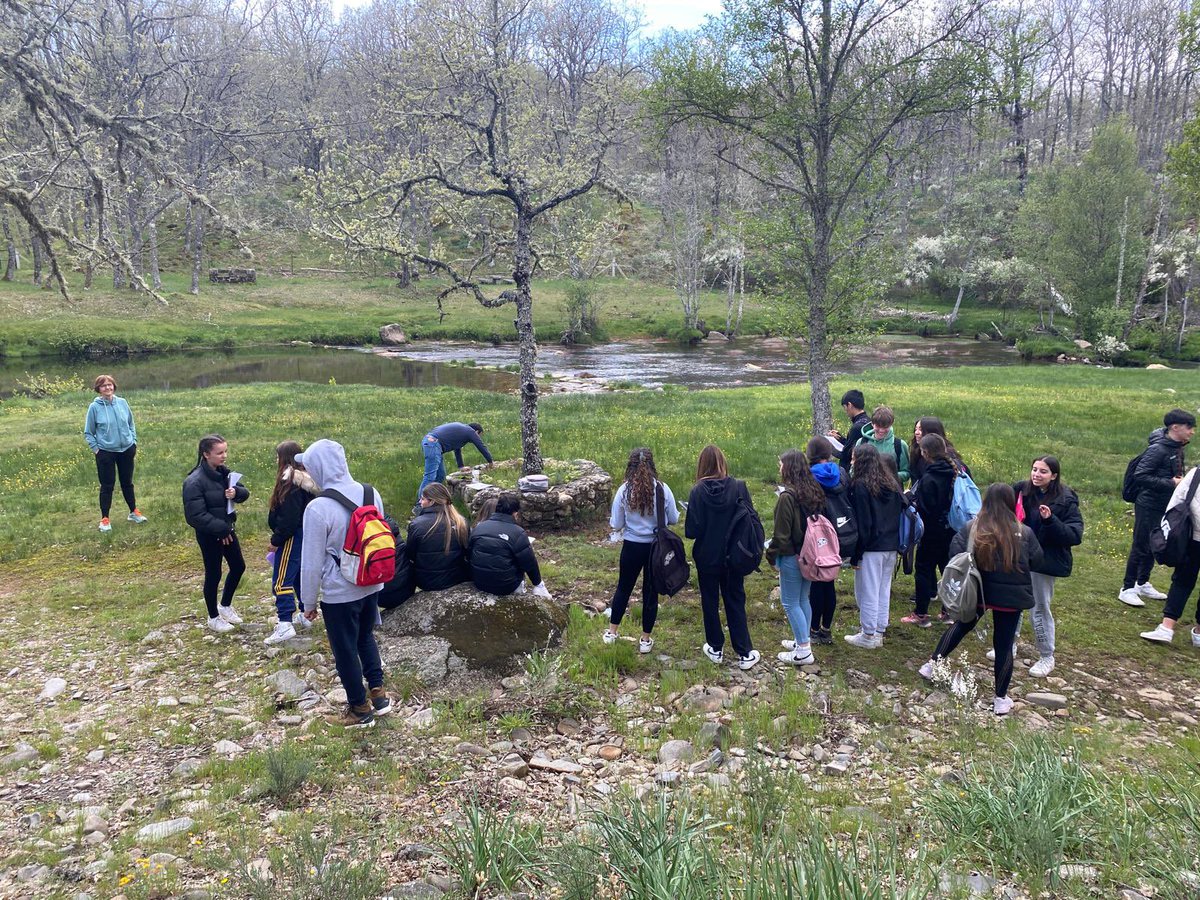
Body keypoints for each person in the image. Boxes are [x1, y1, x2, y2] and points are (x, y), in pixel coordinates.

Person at [918, 484, 1044, 716]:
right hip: (1012, 598)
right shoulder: (1024, 532)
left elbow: (955, 553)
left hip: (977, 592)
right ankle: (1000, 699)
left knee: (960, 626)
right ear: (1010, 502)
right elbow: (1037, 560)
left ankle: (932, 665)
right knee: (1004, 646)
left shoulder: (973, 528)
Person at [295, 439, 392, 728]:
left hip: (340, 592)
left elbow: (311, 562)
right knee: (365, 637)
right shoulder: (370, 492)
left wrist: (308, 603)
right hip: (372, 581)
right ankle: (379, 694)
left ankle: (359, 709)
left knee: (345, 649)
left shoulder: (317, 508)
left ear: (318, 468)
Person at [685, 444, 761, 670]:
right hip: (734, 554)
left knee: (709, 600)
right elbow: (751, 519)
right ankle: (744, 651)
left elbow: (691, 530)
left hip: (707, 555)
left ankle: (715, 647)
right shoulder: (739, 487)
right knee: (735, 599)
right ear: (722, 463)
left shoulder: (697, 492)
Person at [1008, 456, 1083, 676]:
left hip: (1044, 562)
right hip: (1019, 557)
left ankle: (1046, 655)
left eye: (1043, 471)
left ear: (1054, 475)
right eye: (1034, 469)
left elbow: (1074, 535)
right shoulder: (1021, 490)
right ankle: (1009, 643)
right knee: (1013, 603)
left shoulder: (1066, 499)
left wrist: (1051, 521)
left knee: (1039, 608)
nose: (1036, 475)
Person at [602, 448, 678, 653]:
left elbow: (616, 524)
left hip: (632, 546)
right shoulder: (663, 489)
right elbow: (673, 519)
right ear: (653, 465)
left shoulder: (624, 490)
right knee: (650, 592)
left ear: (630, 466)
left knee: (623, 588)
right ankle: (645, 640)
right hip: (656, 548)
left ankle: (612, 632)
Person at [1120, 409, 1195, 607]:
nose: (1192, 432)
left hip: (1165, 504)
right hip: (1149, 504)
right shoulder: (1158, 449)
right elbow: (1141, 475)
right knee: (1141, 544)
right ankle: (1127, 588)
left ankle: (1142, 582)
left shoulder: (1177, 447)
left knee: (1155, 543)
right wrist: (1171, 483)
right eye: (1189, 427)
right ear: (1175, 427)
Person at [182, 434, 249, 633]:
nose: (224, 456)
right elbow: (195, 516)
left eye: (225, 451)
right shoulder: (193, 482)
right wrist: (221, 530)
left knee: (238, 566)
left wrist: (237, 492)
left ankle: (225, 606)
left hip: (227, 530)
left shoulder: (224, 473)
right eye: (219, 453)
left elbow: (244, 493)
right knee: (214, 573)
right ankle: (213, 617)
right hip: (210, 534)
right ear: (205, 454)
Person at [768, 449, 828, 665]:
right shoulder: (814, 491)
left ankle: (803, 650)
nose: (779, 467)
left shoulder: (787, 497)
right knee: (803, 599)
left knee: (789, 602)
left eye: (781, 464)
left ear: (789, 468)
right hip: (812, 553)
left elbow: (781, 534)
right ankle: (802, 640)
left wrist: (772, 556)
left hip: (793, 555)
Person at [846, 443, 905, 648]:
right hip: (891, 544)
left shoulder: (861, 486)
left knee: (867, 590)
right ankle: (879, 629)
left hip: (872, 547)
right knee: (882, 588)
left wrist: (856, 554)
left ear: (860, 461)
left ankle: (868, 634)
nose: (851, 462)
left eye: (853, 458)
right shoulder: (891, 483)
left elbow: (865, 524)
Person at [264, 441, 320, 646]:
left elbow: (289, 518)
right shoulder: (307, 480)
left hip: (292, 537)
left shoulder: (289, 482)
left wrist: (276, 540)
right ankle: (305, 614)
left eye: (277, 456)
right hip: (306, 534)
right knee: (298, 575)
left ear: (284, 458)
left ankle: (285, 622)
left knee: (282, 579)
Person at [901, 434, 958, 627]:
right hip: (951, 529)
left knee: (924, 569)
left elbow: (926, 508)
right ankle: (948, 611)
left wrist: (911, 499)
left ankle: (921, 613)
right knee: (948, 569)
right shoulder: (955, 471)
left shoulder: (930, 477)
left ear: (926, 453)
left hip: (932, 530)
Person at [1141, 465, 1200, 647]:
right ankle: (1198, 632)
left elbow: (1177, 500)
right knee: (1182, 580)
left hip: (1193, 537)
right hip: (1193, 537)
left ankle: (1167, 627)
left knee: (1182, 580)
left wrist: (1170, 528)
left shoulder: (1196, 473)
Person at [83, 374, 146, 532]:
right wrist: (97, 450)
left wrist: (133, 442)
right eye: (104, 386)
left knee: (127, 483)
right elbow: (88, 432)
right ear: (98, 389)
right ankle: (105, 519)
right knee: (107, 485)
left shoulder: (123, 403)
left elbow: (131, 424)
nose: (107, 388)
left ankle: (133, 512)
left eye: (110, 385)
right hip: (106, 452)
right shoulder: (94, 408)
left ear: (114, 386)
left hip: (126, 449)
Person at [806, 436, 847, 644]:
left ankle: (812, 629)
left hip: (818, 532)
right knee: (829, 581)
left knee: (816, 583)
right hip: (839, 530)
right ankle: (826, 629)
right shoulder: (840, 473)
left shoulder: (809, 477)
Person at [469, 494, 550, 597]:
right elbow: (529, 563)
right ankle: (525, 589)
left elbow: (469, 553)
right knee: (520, 556)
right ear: (515, 513)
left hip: (479, 582)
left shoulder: (479, 527)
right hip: (506, 585)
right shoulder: (518, 532)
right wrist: (537, 583)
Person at [407, 482, 471, 590]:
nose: (420, 502)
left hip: (427, 581)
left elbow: (410, 555)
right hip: (457, 578)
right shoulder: (461, 521)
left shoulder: (416, 524)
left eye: (422, 499)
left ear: (432, 501)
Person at [418, 422, 494, 501]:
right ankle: (420, 505)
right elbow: (481, 446)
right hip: (433, 444)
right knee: (430, 477)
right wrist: (491, 462)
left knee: (440, 475)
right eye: (479, 435)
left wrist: (461, 466)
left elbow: (457, 448)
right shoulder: (470, 431)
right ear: (477, 432)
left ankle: (432, 499)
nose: (478, 437)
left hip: (431, 442)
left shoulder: (462, 431)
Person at [855, 405, 910, 484]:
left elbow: (906, 473)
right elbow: (853, 469)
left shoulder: (899, 445)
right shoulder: (862, 442)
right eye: (878, 426)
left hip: (891, 491)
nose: (881, 430)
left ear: (891, 424)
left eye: (885, 427)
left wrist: (888, 477)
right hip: (866, 489)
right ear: (872, 424)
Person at [908, 417, 967, 485]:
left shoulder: (946, 458)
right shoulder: (916, 452)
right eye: (915, 429)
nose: (916, 433)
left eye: (921, 430)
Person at [827, 389, 871, 470]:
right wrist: (840, 438)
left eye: (845, 407)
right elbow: (852, 445)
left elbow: (845, 455)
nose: (845, 411)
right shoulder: (868, 421)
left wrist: (828, 445)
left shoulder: (857, 427)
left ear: (849, 405)